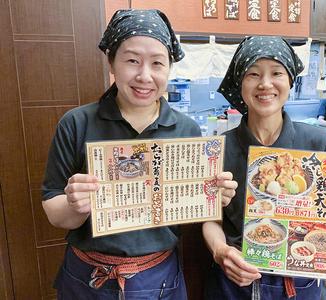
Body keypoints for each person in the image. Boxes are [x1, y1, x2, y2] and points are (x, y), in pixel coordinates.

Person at [41, 9, 237, 299]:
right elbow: (55, 210)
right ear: (112, 62)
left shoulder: (185, 129)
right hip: (88, 279)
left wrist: (210, 197)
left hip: (158, 278)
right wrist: (75, 204)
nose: (145, 76)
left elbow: (190, 209)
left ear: (169, 68)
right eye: (132, 61)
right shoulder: (77, 123)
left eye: (157, 63)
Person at [202, 36, 326, 299]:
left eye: (277, 73)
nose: (265, 84)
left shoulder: (318, 142)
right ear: (240, 83)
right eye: (253, 74)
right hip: (234, 278)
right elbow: (210, 219)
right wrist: (219, 251)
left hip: (298, 274)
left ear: (290, 81)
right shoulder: (217, 148)